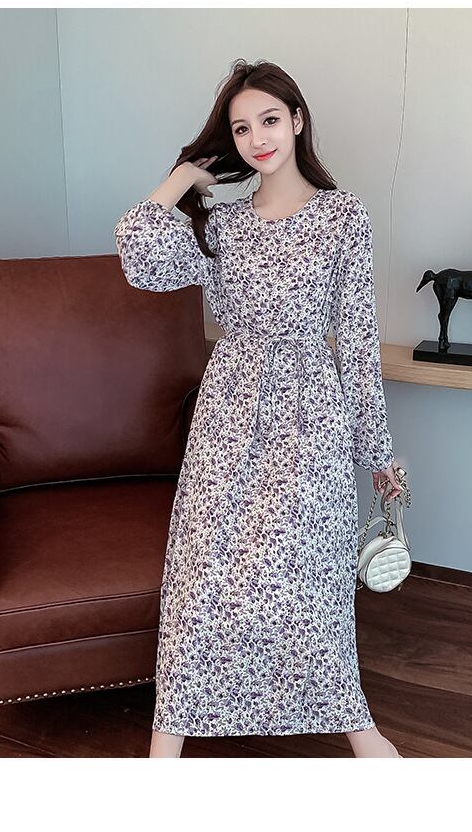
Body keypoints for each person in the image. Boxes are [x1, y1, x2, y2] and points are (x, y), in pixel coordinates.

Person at [114, 59, 404, 758]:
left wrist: (377, 451)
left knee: (309, 573)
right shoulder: (222, 225)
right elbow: (138, 255)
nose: (257, 139)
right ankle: (167, 740)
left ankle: (357, 728)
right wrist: (184, 175)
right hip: (228, 413)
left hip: (311, 414)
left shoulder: (342, 216)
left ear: (297, 120)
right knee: (203, 571)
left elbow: (357, 338)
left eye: (269, 120)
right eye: (241, 129)